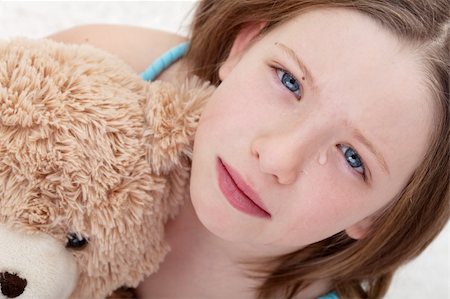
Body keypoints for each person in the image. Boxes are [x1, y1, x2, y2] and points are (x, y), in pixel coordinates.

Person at [49, 1, 449, 298]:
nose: (277, 157)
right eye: (290, 82)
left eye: (352, 158)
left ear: (383, 217)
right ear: (243, 46)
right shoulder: (95, 70)